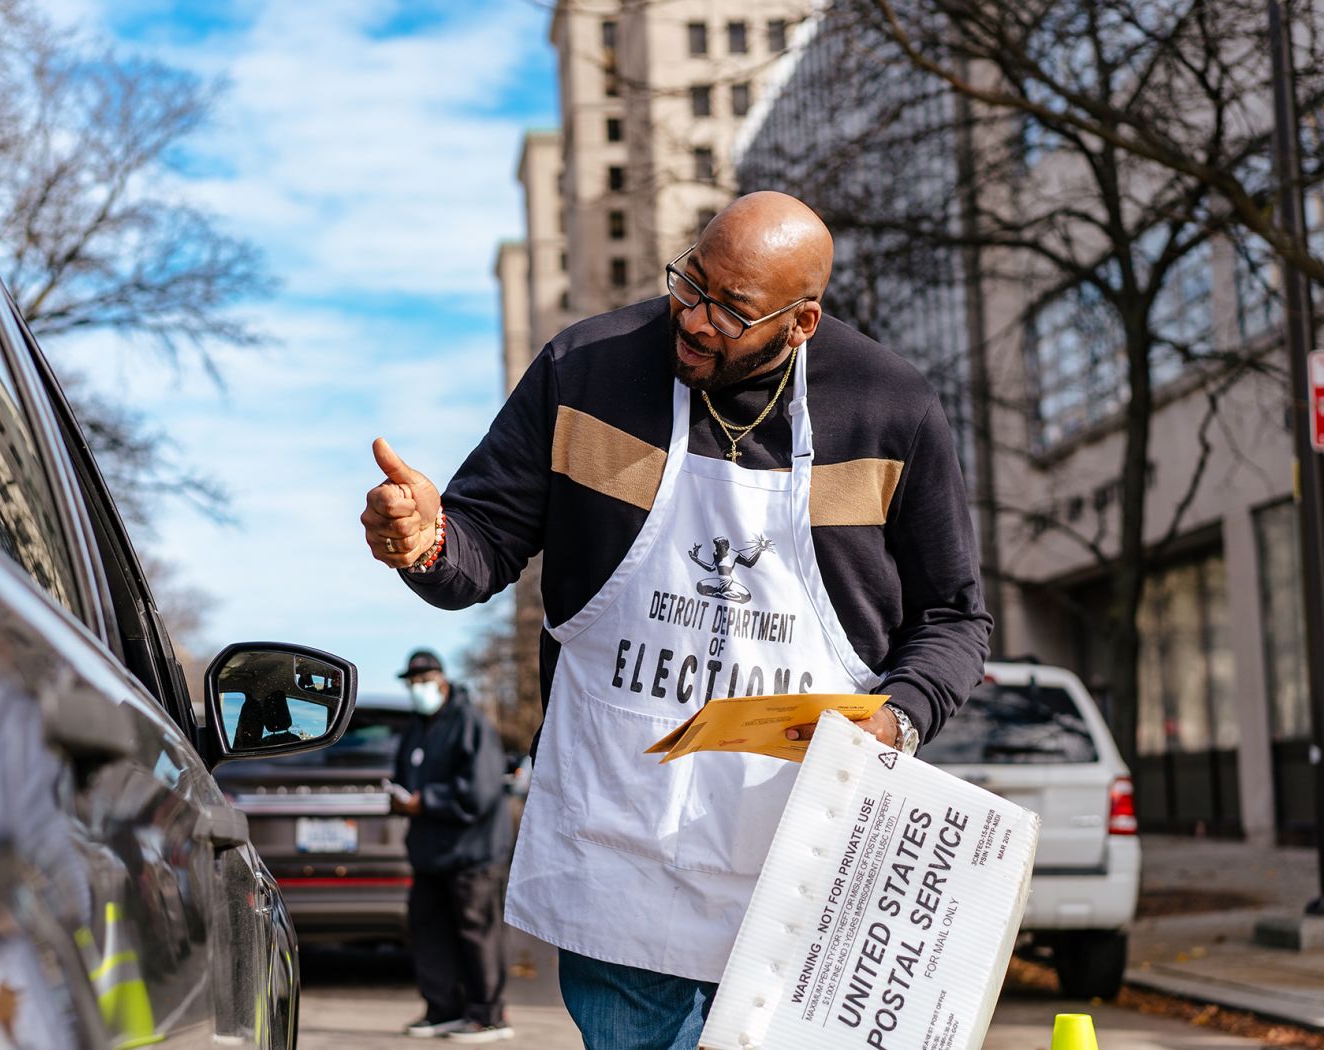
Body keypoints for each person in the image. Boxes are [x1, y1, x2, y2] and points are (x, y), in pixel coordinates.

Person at [360, 192, 992, 1049]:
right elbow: (481, 545)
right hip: (622, 847)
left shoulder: (891, 408)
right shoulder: (584, 371)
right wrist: (427, 543)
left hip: (802, 864)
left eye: (731, 310)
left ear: (801, 320)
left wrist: (898, 717)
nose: (692, 320)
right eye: (689, 282)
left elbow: (954, 618)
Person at [390, 649, 514, 1044]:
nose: (417, 690)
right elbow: (402, 778)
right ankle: (443, 1009)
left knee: (476, 933)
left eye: (423, 682)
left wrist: (425, 801)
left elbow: (479, 792)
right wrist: (399, 798)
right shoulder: (416, 728)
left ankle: (488, 1016)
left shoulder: (470, 723)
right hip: (429, 855)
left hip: (472, 854)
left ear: (442, 681)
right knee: (430, 933)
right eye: (412, 684)